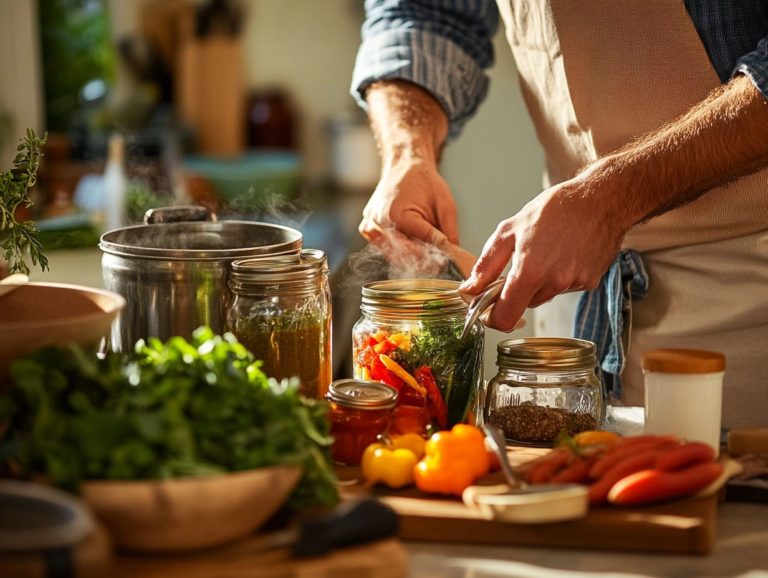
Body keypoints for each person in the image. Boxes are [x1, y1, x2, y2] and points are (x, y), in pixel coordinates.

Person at [351, 1, 768, 428]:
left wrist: (608, 200)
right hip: (571, 293)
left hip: (746, 296)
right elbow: (424, 13)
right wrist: (408, 152)